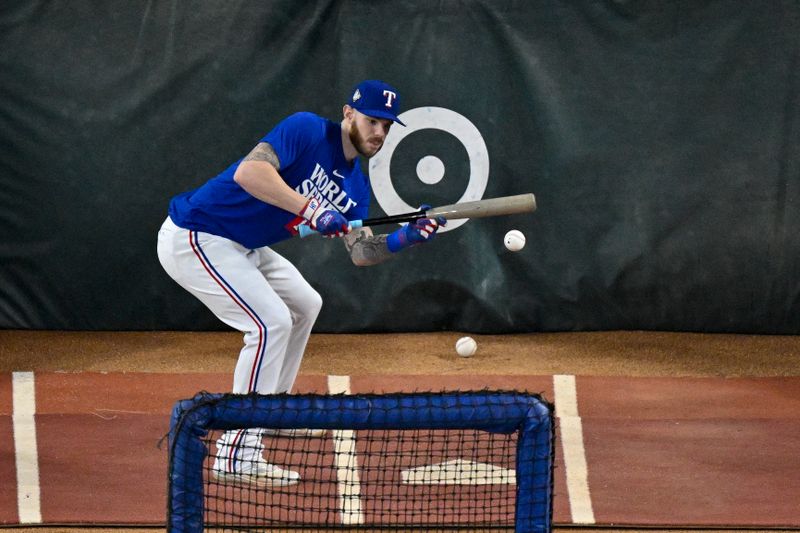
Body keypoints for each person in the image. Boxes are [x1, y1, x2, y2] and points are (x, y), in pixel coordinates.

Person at [156, 80, 446, 486]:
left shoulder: (356, 186)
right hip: (197, 234)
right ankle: (237, 453)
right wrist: (311, 209)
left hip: (241, 244)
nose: (378, 133)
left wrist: (406, 237)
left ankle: (272, 412)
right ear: (349, 114)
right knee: (269, 322)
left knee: (305, 304)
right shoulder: (307, 129)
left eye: (386, 125)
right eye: (371, 121)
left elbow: (361, 252)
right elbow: (250, 172)